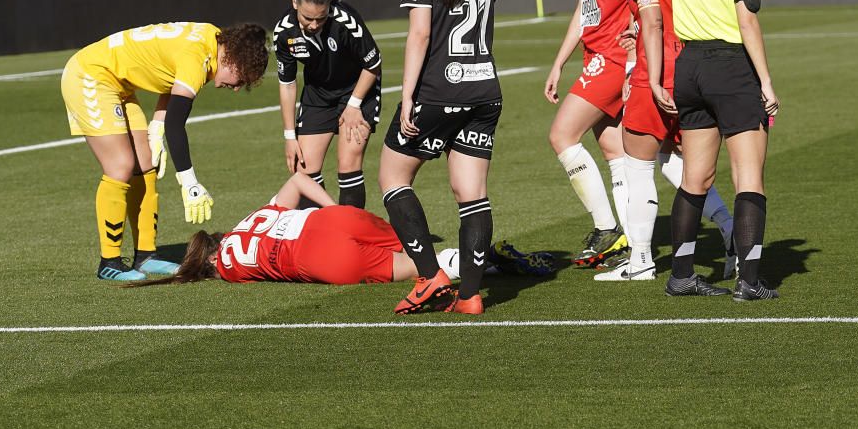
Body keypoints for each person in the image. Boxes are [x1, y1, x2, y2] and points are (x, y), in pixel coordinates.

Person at [595, 0, 737, 283]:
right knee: (679, 163)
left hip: (656, 74)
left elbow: (654, 21)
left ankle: (640, 259)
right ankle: (729, 231)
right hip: (692, 69)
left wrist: (648, 76)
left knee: (638, 167)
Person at [378, 0, 502, 316]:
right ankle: (470, 296)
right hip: (485, 89)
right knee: (472, 193)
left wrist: (407, 95)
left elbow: (420, 33)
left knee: (393, 177)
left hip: (438, 90)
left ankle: (430, 274)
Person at [61, 22, 269, 281]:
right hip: (90, 75)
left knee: (146, 163)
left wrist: (156, 128)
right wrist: (189, 182)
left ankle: (145, 256)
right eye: (242, 79)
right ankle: (109, 262)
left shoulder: (211, 41)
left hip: (118, 84)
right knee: (120, 166)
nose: (237, 87)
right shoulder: (198, 58)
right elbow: (176, 123)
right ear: (235, 61)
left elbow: (171, 80)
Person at [663, 0, 779, 300]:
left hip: (689, 66)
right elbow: (744, 18)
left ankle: (681, 274)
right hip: (729, 67)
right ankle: (749, 281)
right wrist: (766, 81)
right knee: (749, 177)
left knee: (695, 177)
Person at [127, 173, 554, 287]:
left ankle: (485, 262)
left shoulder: (230, 268)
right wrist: (336, 212)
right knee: (417, 249)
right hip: (330, 219)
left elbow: (207, 269)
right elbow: (296, 180)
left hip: (320, 259)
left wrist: (175, 270)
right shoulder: (249, 220)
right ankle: (486, 256)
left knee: (425, 268)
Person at [544, 0, 633, 268]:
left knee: (562, 135)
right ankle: (632, 237)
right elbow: (586, 9)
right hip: (595, 56)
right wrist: (559, 62)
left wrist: (634, 55)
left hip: (614, 58)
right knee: (614, 148)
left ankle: (606, 227)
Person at [273, 0, 382, 209]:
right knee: (304, 171)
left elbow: (373, 63)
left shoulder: (345, 20)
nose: (313, 25)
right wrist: (289, 136)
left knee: (348, 164)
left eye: (320, 19)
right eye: (307, 18)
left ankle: (351, 237)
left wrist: (353, 105)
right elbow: (288, 85)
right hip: (318, 93)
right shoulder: (284, 32)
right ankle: (325, 231)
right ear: (294, 3)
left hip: (357, 89)